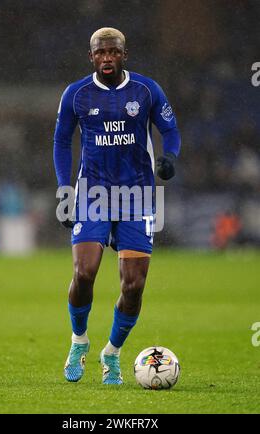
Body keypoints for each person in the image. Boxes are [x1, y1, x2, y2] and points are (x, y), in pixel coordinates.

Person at [53, 27, 181, 385]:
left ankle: (112, 352)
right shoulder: (76, 94)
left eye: (113, 52)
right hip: (93, 192)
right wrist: (65, 188)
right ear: (91, 57)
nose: (106, 57)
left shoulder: (146, 90)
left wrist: (170, 157)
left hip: (137, 194)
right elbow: (62, 141)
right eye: (100, 52)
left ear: (125, 55)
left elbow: (170, 130)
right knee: (84, 272)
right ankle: (79, 341)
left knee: (133, 286)